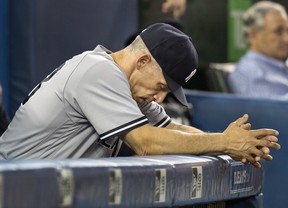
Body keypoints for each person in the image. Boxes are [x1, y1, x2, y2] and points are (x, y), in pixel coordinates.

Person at [0, 23, 280, 168]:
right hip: (11, 186)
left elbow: (172, 129)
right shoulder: (99, 71)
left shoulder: (132, 87)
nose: (159, 98)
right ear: (143, 61)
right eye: (160, 86)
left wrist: (234, 143)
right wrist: (224, 143)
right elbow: (145, 142)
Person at [228, 1, 288, 99]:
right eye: (278, 31)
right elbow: (270, 112)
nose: (286, 39)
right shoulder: (249, 72)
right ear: (253, 35)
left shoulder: (281, 66)